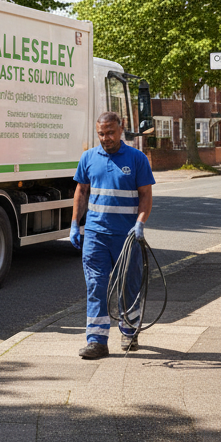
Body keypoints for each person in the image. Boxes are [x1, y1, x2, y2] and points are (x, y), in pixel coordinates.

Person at [70, 111, 155, 359]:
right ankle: (97, 341)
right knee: (96, 284)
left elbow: (146, 196)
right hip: (96, 234)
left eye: (110, 133)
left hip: (127, 236)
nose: (106, 138)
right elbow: (81, 191)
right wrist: (75, 223)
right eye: (101, 134)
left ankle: (129, 331)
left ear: (121, 129)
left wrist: (140, 223)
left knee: (129, 284)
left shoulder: (137, 159)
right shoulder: (88, 158)